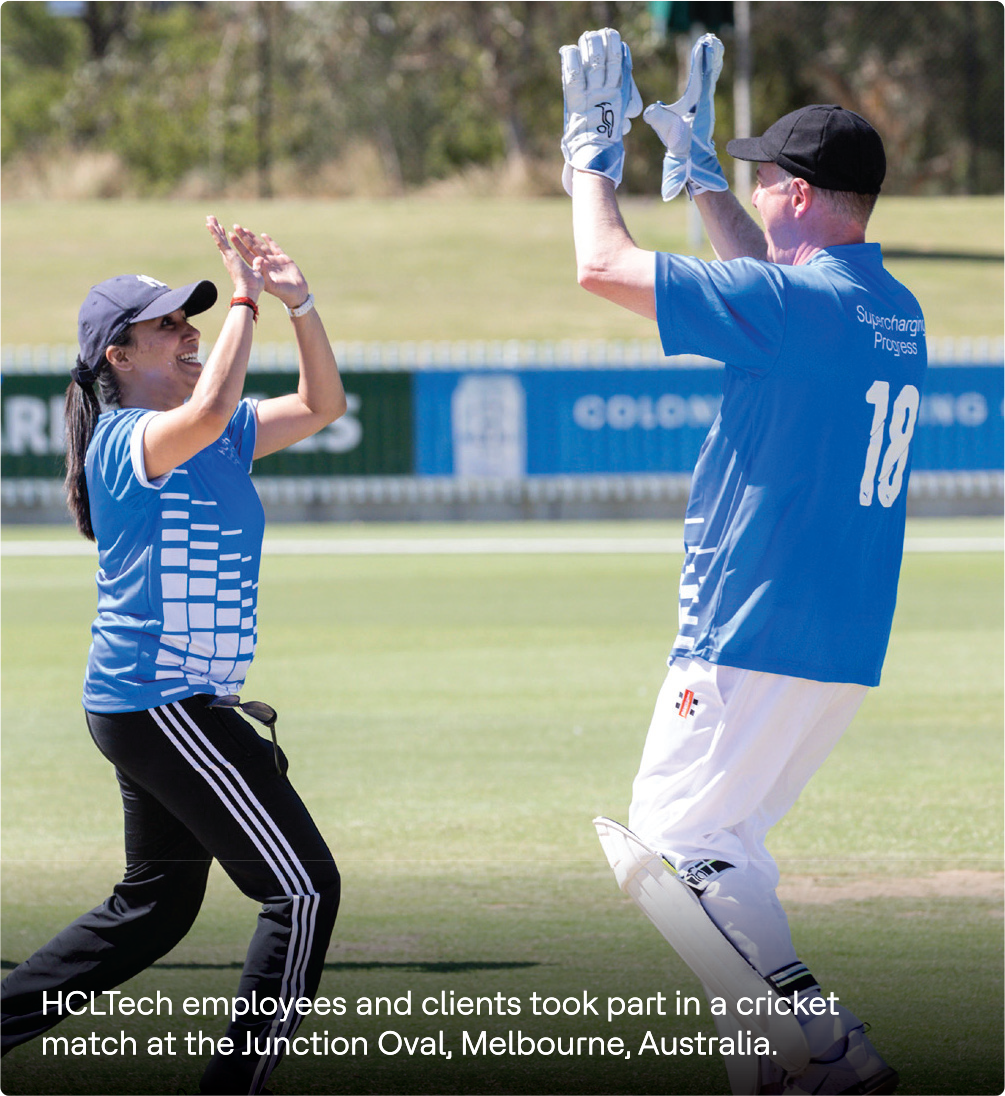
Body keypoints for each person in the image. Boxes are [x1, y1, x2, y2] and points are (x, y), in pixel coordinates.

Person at [561, 29, 926, 1096]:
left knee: (673, 845)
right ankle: (770, 1070)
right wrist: (707, 181)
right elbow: (771, 280)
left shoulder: (795, 307)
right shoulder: (886, 308)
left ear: (803, 195)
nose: (760, 185)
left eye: (769, 173)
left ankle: (819, 1036)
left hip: (752, 622)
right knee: (735, 852)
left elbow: (600, 266)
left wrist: (593, 153)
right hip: (842, 638)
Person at [0, 217, 347, 1096]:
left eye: (194, 320)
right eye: (169, 327)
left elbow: (320, 407)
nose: (189, 333)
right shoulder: (126, 441)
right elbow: (210, 408)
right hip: (162, 705)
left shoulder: (214, 433)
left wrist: (299, 302)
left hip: (156, 706)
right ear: (118, 357)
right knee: (302, 891)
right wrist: (243, 297)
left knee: (153, 910)